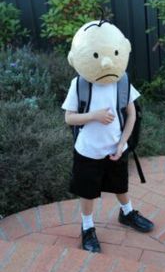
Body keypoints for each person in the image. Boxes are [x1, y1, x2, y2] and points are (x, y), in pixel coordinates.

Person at [62, 19, 154, 253]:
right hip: (88, 150)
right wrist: (94, 115)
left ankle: (127, 213)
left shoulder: (122, 82)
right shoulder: (80, 84)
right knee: (87, 191)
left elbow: (132, 115)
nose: (105, 62)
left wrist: (122, 143)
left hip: (115, 148)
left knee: (120, 185)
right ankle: (87, 227)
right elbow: (69, 118)